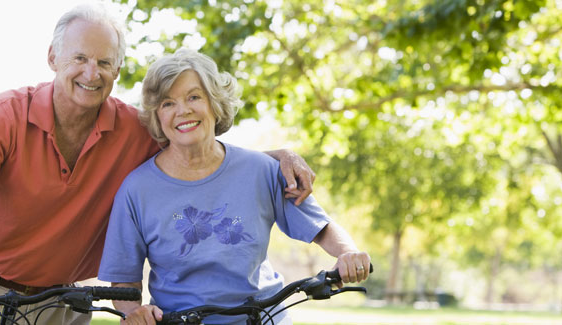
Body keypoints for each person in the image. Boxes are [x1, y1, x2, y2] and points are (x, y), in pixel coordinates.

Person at [0, 4, 316, 324]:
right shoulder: (5, 115)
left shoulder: (133, 130)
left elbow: (199, 153)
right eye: (80, 58)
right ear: (53, 57)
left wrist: (276, 158)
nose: (91, 72)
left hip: (60, 301)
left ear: (117, 69)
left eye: (104, 62)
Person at [97, 49, 371, 325]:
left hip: (264, 316)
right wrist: (134, 313)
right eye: (168, 103)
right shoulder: (137, 189)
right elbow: (124, 280)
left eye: (194, 97)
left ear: (215, 103)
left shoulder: (262, 170)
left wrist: (347, 254)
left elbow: (320, 227)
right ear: (157, 116)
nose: (183, 110)